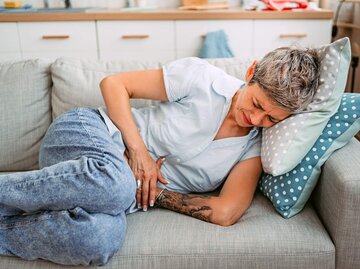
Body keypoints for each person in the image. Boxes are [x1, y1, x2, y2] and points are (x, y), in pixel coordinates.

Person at [0, 47, 320, 266]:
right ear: (251, 73)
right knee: (117, 184)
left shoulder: (253, 148)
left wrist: (155, 192)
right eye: (257, 103)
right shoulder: (202, 78)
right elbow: (114, 84)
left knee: (99, 242)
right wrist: (137, 152)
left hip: (115, 196)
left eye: (272, 119)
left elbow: (225, 212)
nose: (257, 119)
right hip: (88, 133)